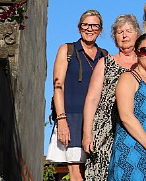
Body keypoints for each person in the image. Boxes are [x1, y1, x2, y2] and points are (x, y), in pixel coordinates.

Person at [46, 10, 107, 181]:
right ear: (79, 27)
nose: (90, 29)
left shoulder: (105, 55)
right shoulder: (67, 50)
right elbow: (58, 86)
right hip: (71, 118)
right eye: (86, 25)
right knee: (77, 175)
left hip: (97, 121)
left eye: (94, 25)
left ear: (100, 30)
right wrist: (61, 120)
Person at [82, 14, 142, 181]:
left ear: (137, 34)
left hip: (134, 131)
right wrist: (87, 133)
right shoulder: (105, 63)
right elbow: (92, 98)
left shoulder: (144, 64)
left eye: (128, 31)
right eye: (119, 32)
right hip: (105, 130)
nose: (124, 35)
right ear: (114, 37)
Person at [108, 33, 146, 180]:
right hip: (133, 155)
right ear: (137, 52)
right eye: (145, 50)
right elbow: (126, 117)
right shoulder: (128, 78)